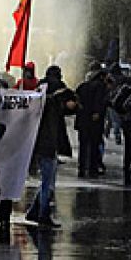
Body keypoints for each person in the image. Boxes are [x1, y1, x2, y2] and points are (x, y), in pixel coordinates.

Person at [25, 65, 79, 228]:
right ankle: (43, 215)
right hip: (46, 146)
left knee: (47, 181)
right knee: (48, 182)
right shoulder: (50, 103)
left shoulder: (43, 98)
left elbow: (70, 110)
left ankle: (34, 212)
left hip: (43, 145)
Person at [75, 65, 109, 178]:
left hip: (83, 120)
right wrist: (97, 112)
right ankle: (92, 169)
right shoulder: (101, 87)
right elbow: (101, 101)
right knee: (94, 145)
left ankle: (81, 168)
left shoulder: (82, 86)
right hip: (95, 122)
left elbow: (77, 100)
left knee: (83, 146)